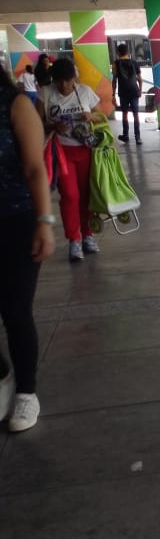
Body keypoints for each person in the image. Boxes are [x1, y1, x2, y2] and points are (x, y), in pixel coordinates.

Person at [0, 61, 56, 432]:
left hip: (16, 222)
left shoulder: (15, 105)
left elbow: (36, 169)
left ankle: (26, 393)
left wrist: (44, 222)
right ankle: (3, 375)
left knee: (15, 310)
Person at [37, 57, 102, 262]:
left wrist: (90, 117)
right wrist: (53, 127)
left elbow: (102, 116)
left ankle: (88, 236)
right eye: (59, 81)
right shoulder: (45, 94)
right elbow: (37, 125)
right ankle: (74, 240)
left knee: (85, 196)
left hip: (85, 150)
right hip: (61, 152)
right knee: (70, 196)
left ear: (74, 78)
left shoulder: (85, 92)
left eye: (67, 80)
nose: (64, 85)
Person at [111, 41, 142, 145]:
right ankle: (138, 137)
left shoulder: (115, 64)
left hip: (123, 91)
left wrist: (113, 94)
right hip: (134, 90)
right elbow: (140, 79)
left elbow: (114, 80)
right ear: (127, 52)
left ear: (118, 53)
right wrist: (140, 90)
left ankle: (126, 135)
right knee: (136, 114)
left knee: (125, 114)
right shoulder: (134, 62)